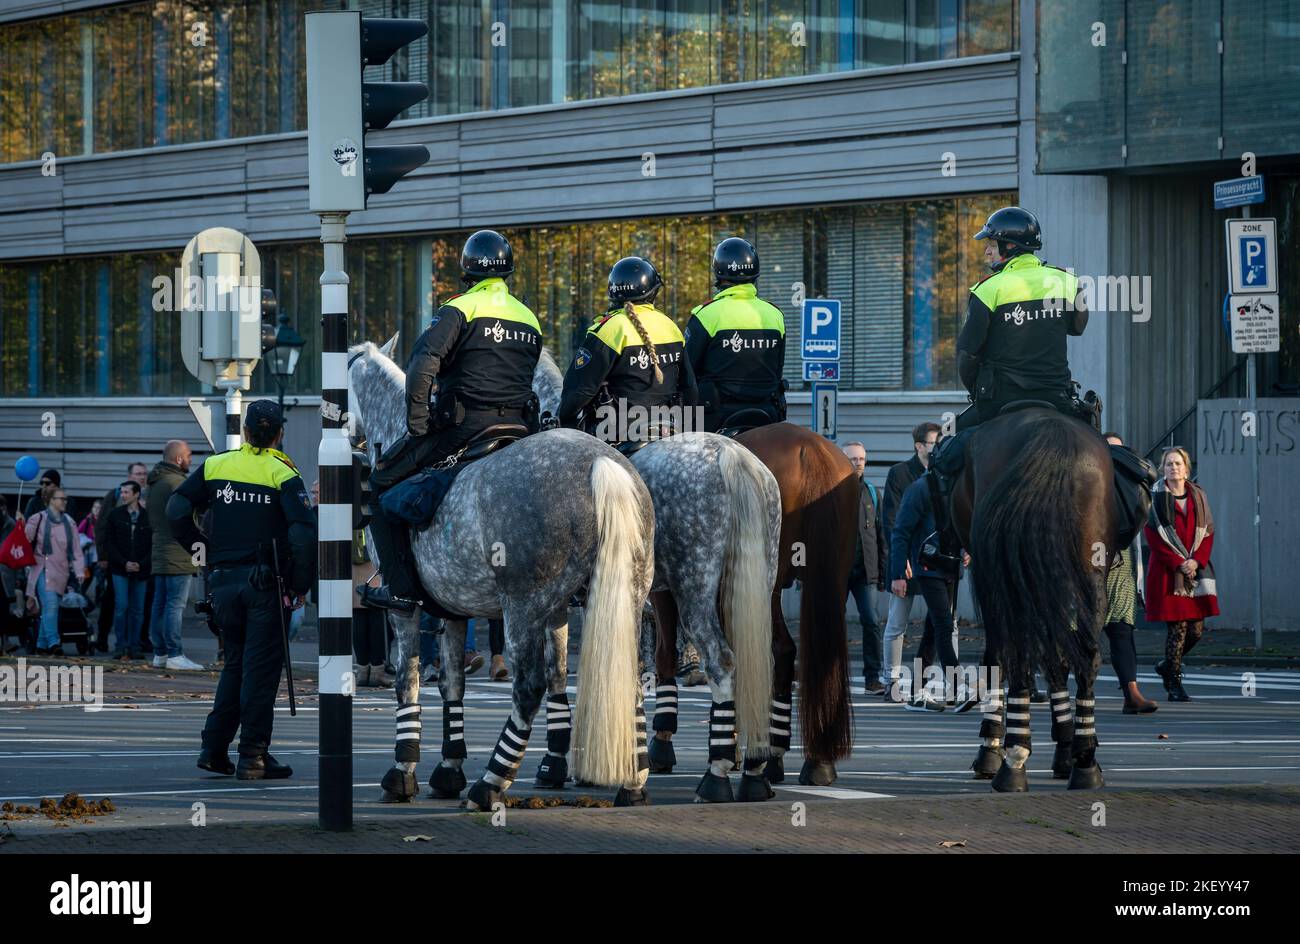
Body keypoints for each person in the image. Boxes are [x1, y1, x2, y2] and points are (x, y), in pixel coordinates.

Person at [360, 229, 543, 614]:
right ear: (506, 270)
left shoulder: (459, 308)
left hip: (466, 427)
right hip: (521, 430)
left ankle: (401, 588)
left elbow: (422, 363)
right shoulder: (529, 317)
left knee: (379, 483)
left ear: (467, 270)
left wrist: (418, 422)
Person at [168, 399, 317, 780]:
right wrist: (300, 585)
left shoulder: (216, 465)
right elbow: (302, 533)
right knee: (260, 670)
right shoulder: (282, 473)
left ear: (247, 431)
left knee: (235, 665)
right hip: (265, 585)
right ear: (279, 434)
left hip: (223, 582)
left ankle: (214, 748)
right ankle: (253, 754)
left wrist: (203, 552)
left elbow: (176, 509)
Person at [955, 206, 1090, 430]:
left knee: (947, 452)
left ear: (1009, 245)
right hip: (1057, 397)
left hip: (1002, 399)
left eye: (991, 244)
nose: (987, 252)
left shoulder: (988, 289)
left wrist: (978, 392)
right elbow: (1077, 327)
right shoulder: (1068, 281)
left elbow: (967, 354)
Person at [559, 255, 697, 439]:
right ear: (653, 293)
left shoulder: (608, 329)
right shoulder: (670, 326)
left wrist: (561, 418)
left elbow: (579, 391)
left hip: (617, 433)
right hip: (669, 427)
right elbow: (690, 388)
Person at [684, 237, 787, 432]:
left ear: (719, 272)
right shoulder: (775, 315)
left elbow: (687, 373)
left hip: (714, 417)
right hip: (767, 414)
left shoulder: (706, 314)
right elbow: (778, 371)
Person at [1144, 446, 1219, 703]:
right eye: (1168, 464)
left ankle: (1167, 664)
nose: (1173, 468)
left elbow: (1208, 532)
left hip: (1195, 571)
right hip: (1168, 574)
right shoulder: (1155, 498)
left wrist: (1196, 561)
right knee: (1178, 628)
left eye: (1178, 464)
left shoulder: (1199, 495)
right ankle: (1174, 684)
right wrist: (1180, 563)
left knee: (1196, 631)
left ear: (1186, 468)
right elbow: (1154, 538)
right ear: (1163, 469)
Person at [889, 473, 965, 710]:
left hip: (949, 568)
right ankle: (960, 686)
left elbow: (962, 523)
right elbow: (900, 531)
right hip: (928, 567)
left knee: (933, 631)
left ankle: (917, 694)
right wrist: (898, 573)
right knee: (944, 625)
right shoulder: (920, 488)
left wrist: (967, 548)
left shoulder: (958, 485)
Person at [879, 422, 941, 700]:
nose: (938, 448)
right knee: (897, 623)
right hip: (908, 559)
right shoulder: (900, 474)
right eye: (933, 443)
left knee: (944, 623)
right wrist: (899, 561)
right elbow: (892, 523)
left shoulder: (945, 473)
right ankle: (891, 680)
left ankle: (938, 682)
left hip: (939, 561)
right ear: (919, 446)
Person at [1102, 433, 1157, 714]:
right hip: (1083, 563)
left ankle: (1131, 692)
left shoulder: (1130, 487)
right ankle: (1062, 694)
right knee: (1074, 633)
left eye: (1119, 452)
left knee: (1122, 629)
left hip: (1119, 562)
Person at [146, 440, 203, 670]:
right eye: (188, 455)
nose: (190, 459)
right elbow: (190, 515)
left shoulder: (156, 482)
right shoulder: (178, 483)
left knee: (159, 603)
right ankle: (174, 654)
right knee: (175, 606)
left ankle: (160, 652)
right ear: (178, 459)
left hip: (160, 549)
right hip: (178, 552)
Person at [841, 441, 885, 693]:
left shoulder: (871, 492)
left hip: (864, 572)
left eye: (861, 459)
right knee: (833, 624)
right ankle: (831, 675)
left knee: (871, 621)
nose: (858, 463)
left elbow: (880, 535)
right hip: (836, 572)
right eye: (853, 459)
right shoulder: (829, 491)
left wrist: (881, 572)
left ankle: (873, 677)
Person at [94, 462, 150, 654]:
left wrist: (141, 563)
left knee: (138, 607)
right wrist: (104, 556)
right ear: (129, 475)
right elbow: (103, 529)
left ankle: (137, 643)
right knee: (115, 604)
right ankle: (107, 640)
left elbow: (151, 539)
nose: (142, 477)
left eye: (144, 473)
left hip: (140, 565)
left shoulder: (147, 505)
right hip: (117, 563)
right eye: (138, 473)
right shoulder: (114, 499)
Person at [24, 486, 85, 657]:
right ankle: (54, 642)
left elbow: (76, 549)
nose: (64, 502)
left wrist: (79, 570)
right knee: (50, 605)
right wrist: (22, 523)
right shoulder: (38, 519)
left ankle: (41, 645)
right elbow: (25, 539)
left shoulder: (69, 522)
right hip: (42, 567)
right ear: (51, 500)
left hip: (61, 571)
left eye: (65, 499)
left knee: (50, 608)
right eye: (61, 499)